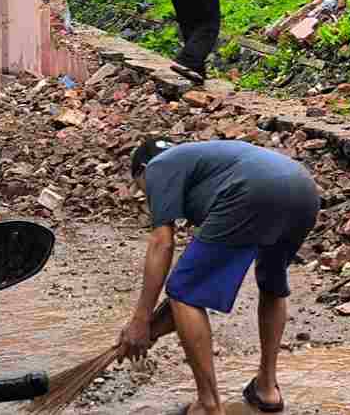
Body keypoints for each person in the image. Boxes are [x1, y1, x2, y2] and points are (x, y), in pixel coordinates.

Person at [120, 140, 320, 415]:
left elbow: (162, 244)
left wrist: (140, 320)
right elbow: (206, 272)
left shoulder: (157, 168)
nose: (149, 197)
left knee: (183, 290)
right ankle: (267, 389)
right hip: (303, 189)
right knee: (271, 284)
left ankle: (208, 404)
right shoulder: (203, 164)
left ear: (142, 169)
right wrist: (152, 329)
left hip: (254, 190)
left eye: (141, 188)